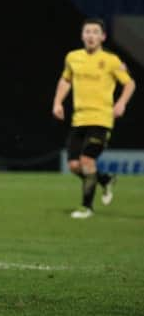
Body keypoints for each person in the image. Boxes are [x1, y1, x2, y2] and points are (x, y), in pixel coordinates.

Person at [52, 18, 135, 219]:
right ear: (82, 35)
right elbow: (65, 80)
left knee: (87, 161)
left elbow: (129, 84)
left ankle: (86, 207)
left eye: (95, 32)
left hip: (101, 119)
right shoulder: (72, 57)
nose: (91, 35)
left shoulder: (111, 61)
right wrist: (57, 102)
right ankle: (105, 180)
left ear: (103, 37)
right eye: (87, 31)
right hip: (79, 119)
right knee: (74, 165)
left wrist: (121, 103)